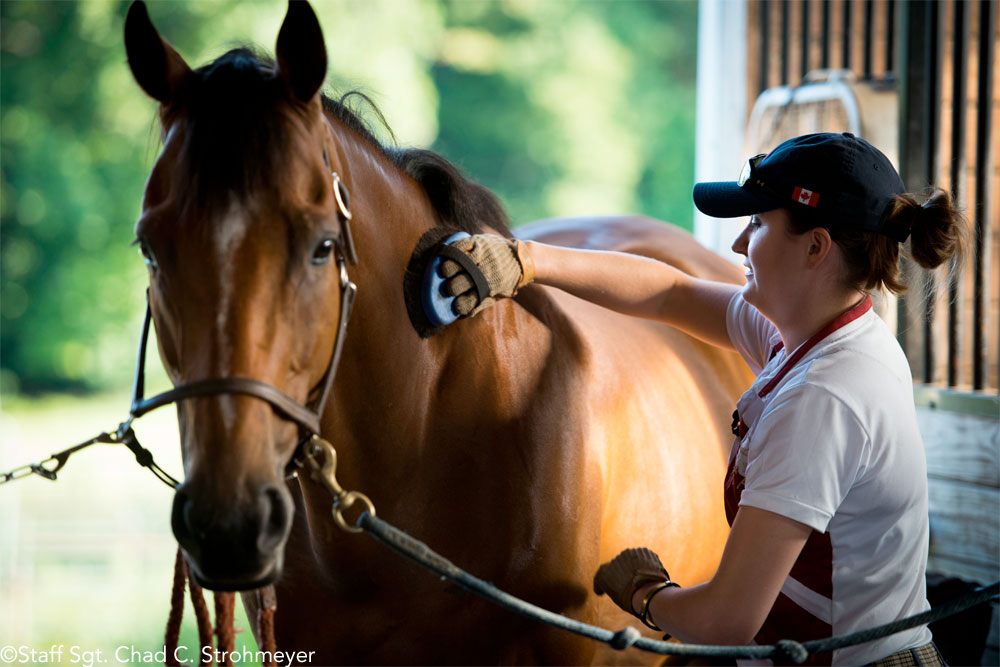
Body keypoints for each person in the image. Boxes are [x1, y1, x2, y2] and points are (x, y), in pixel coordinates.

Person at [433, 132, 966, 665]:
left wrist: (646, 594)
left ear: (815, 246)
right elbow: (672, 293)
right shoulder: (822, 335)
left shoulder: (822, 399)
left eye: (757, 223)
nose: (738, 244)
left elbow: (725, 620)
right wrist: (524, 259)